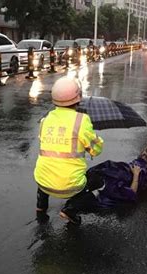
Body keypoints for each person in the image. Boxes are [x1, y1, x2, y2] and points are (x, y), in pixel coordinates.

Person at [34, 77, 104, 225]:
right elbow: (96, 150)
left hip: (42, 182)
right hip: (69, 186)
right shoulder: (81, 120)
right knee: (98, 181)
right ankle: (70, 209)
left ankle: (41, 207)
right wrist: (95, 140)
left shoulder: (45, 120)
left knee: (48, 169)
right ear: (77, 98)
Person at [78, 144, 147, 211]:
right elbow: (131, 193)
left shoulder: (102, 173)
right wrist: (136, 175)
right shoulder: (113, 187)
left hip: (136, 165)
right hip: (144, 175)